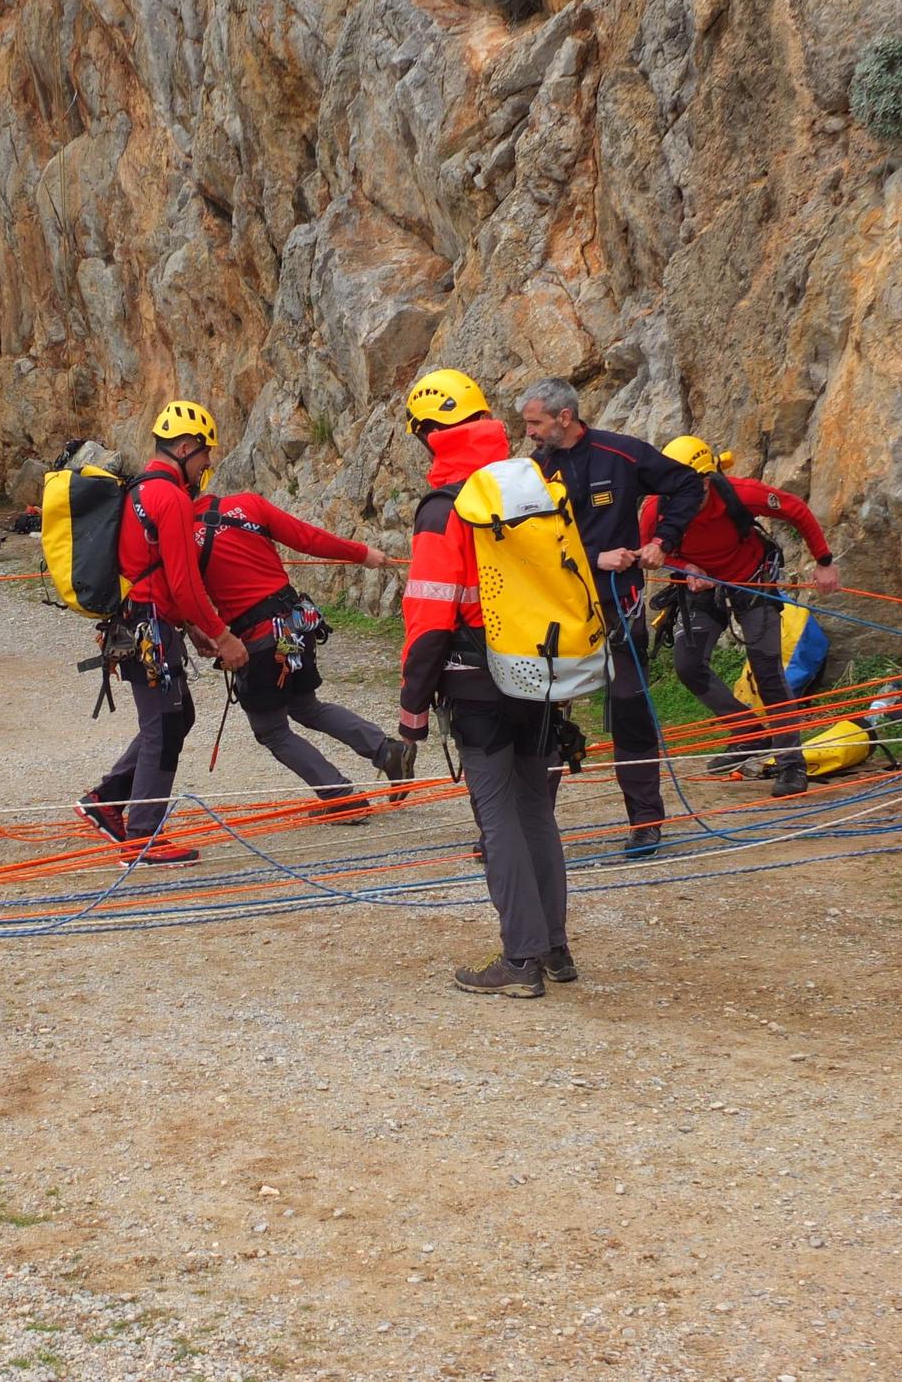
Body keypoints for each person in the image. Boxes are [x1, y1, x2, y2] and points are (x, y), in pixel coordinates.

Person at [398, 369, 573, 999]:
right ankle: (554, 948)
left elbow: (429, 614)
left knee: (496, 815)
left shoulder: (446, 508)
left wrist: (411, 710)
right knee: (536, 811)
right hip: (545, 672)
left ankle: (521, 960)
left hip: (478, 680)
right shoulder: (530, 484)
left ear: (429, 436)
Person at [520, 377, 704, 858]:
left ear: (565, 417)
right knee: (547, 711)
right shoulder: (532, 471)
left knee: (630, 708)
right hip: (559, 610)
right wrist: (594, 556)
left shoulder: (621, 454)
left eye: (535, 423)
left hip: (620, 607)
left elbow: (687, 485)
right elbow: (527, 543)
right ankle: (528, 827)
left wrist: (662, 541)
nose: (530, 433)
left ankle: (646, 821)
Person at [75, 401, 248, 866]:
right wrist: (221, 635)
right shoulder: (170, 497)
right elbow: (184, 582)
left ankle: (109, 799)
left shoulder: (141, 489)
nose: (207, 464)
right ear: (186, 447)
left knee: (177, 716)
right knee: (164, 726)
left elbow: (161, 577)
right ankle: (141, 834)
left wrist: (192, 629)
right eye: (204, 455)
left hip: (142, 622)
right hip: (149, 626)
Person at [189, 488, 415, 819]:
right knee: (306, 707)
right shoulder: (248, 504)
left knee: (271, 730)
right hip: (295, 623)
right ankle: (388, 751)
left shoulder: (182, 534)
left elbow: (185, 592)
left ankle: (340, 796)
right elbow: (307, 538)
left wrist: (205, 632)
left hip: (260, 640)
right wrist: (361, 553)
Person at [641, 436, 841, 797]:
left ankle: (790, 762)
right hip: (698, 585)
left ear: (705, 481)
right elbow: (648, 553)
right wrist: (684, 566)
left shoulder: (740, 493)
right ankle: (749, 734)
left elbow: (795, 509)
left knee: (767, 670)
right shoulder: (656, 509)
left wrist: (824, 562)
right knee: (688, 666)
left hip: (751, 580)